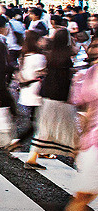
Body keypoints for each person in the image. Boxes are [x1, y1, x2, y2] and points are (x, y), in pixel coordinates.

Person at [36, 54, 98, 211]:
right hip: (95, 145)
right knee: (81, 197)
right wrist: (82, 140)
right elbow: (87, 109)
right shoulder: (92, 72)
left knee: (82, 197)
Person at [25, 28, 79, 169]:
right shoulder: (66, 57)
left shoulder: (50, 55)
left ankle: (32, 158)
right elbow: (65, 78)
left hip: (47, 95)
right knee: (69, 129)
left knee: (44, 128)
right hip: (61, 97)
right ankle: (78, 159)